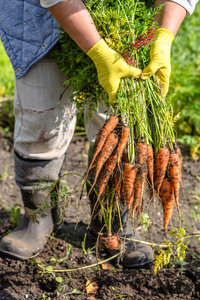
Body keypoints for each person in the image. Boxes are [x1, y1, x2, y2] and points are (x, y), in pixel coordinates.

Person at [0, 0, 197, 267]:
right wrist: (98, 51)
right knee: (41, 120)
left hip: (124, 22)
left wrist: (163, 35)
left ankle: (110, 222)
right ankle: (38, 217)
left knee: (116, 122)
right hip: (39, 17)